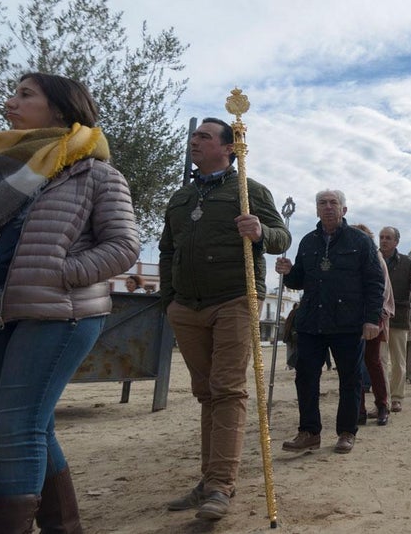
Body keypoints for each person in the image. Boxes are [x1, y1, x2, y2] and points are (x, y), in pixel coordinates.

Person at [0, 72, 140, 532]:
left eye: (26, 94)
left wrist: (60, 274)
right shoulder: (0, 172)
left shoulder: (96, 173)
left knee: (16, 428)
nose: (12, 101)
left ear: (62, 110)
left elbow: (124, 246)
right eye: (13, 93)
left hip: (58, 314)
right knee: (33, 425)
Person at [159, 117, 290, 520]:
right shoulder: (181, 196)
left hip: (234, 299)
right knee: (206, 394)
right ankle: (209, 480)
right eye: (194, 137)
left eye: (203, 137)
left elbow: (281, 237)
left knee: (228, 391)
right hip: (187, 306)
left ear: (229, 148)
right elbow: (167, 249)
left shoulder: (250, 190)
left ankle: (220, 486)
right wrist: (169, 300)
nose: (195, 142)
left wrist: (260, 232)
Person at [276, 190, 383, 455]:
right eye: (322, 203)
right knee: (305, 377)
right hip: (312, 321)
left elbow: (374, 281)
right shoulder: (308, 241)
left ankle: (346, 432)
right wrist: (288, 272)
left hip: (348, 322)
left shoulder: (360, 241)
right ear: (316, 210)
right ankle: (309, 432)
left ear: (344, 210)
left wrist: (372, 319)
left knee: (350, 378)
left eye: (333, 203)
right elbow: (300, 280)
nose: (328, 207)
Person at [354, 223, 394, 427]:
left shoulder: (376, 258)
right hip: (350, 319)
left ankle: (382, 406)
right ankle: (357, 409)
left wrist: (376, 315)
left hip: (373, 317)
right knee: (353, 365)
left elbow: (383, 289)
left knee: (373, 362)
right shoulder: (349, 256)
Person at [379, 226, 411, 413]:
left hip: (399, 316)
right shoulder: (372, 258)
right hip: (377, 317)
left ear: (396, 242)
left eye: (388, 238)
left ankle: (396, 398)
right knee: (380, 360)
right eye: (381, 237)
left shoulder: (407, 262)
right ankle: (383, 399)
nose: (384, 240)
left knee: (398, 361)